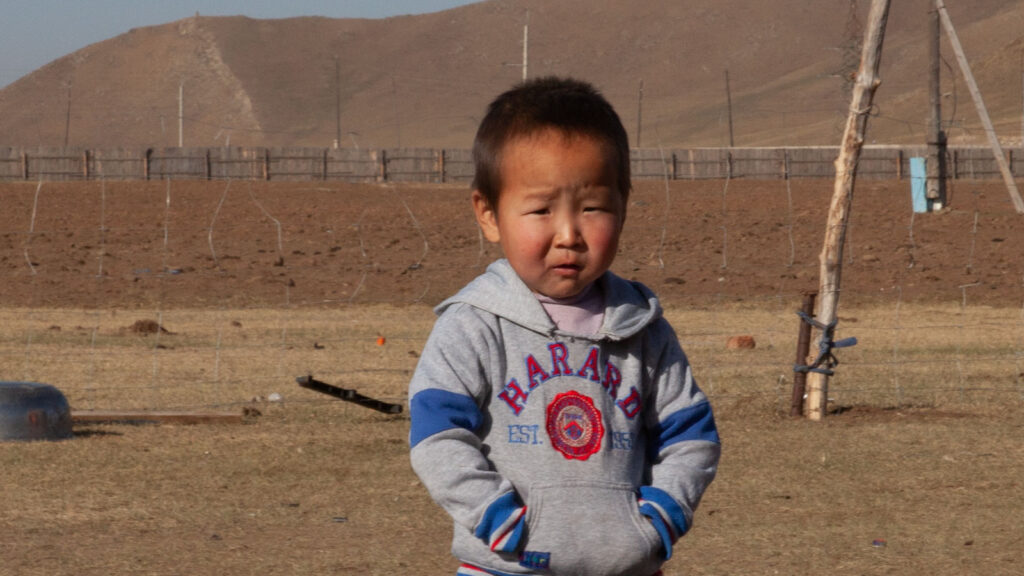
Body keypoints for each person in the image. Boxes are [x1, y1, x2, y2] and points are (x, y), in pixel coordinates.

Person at [408, 76, 720, 576]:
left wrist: (663, 514)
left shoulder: (644, 329)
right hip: (506, 566)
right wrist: (493, 514)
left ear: (623, 204)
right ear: (489, 215)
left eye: (593, 207)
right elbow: (437, 435)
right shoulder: (473, 325)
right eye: (540, 210)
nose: (569, 234)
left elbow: (690, 434)